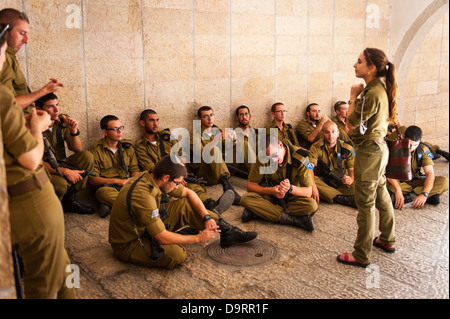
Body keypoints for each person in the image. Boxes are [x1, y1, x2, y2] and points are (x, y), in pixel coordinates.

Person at [0, 25, 76, 298]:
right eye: (21, 33)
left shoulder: (49, 116)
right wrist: (37, 126)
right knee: (43, 283)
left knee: (62, 271)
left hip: (34, 195)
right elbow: (33, 160)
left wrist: (71, 130)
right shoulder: (7, 101)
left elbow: (74, 148)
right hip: (28, 197)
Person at [108, 155, 257, 269]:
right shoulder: (143, 195)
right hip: (130, 242)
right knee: (177, 255)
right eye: (177, 183)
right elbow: (160, 237)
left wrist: (206, 217)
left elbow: (189, 193)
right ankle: (186, 234)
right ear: (166, 177)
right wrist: (198, 238)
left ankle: (226, 231)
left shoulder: (153, 176)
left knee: (186, 205)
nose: (177, 187)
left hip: (145, 226)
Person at [337, 48, 397, 268]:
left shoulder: (370, 94)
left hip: (369, 153)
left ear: (371, 67)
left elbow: (349, 125)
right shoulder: (379, 88)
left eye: (359, 61)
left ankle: (361, 255)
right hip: (379, 151)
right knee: (381, 193)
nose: (355, 64)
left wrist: (352, 97)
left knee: (365, 205)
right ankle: (387, 239)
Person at [134, 109, 234, 213]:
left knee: (195, 188)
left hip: (180, 173)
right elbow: (151, 168)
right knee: (179, 192)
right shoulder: (140, 146)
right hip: (163, 179)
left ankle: (211, 205)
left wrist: (179, 172)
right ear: (142, 123)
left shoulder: (166, 137)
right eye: (151, 120)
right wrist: (175, 176)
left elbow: (182, 155)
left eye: (157, 120)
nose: (155, 124)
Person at [240, 133, 318, 231]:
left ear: (280, 145)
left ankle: (261, 212)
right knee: (245, 199)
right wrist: (271, 191)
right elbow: (250, 186)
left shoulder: (301, 158)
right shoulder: (263, 156)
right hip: (270, 197)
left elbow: (308, 192)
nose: (273, 160)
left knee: (311, 206)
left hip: (292, 198)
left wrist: (290, 188)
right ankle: (290, 219)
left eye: (274, 155)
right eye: (269, 158)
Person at [35, 93, 95, 214]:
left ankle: (69, 201)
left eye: (57, 105)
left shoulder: (62, 120)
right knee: (61, 185)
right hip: (41, 168)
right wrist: (64, 171)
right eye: (50, 107)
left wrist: (73, 131)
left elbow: (77, 149)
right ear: (38, 109)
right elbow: (36, 162)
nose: (56, 110)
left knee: (87, 156)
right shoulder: (31, 125)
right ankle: (47, 209)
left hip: (60, 162)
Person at [0, 9, 63, 113]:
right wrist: (45, 90)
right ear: (4, 31)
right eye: (21, 33)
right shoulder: (4, 58)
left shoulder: (10, 56)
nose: (26, 40)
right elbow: (8, 104)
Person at [89, 115, 140, 217]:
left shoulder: (127, 147)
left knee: (143, 186)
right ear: (105, 132)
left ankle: (111, 206)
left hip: (126, 184)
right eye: (115, 129)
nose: (120, 131)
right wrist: (117, 181)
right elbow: (93, 180)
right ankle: (137, 208)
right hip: (108, 187)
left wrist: (133, 180)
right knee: (102, 193)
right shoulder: (96, 150)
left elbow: (134, 168)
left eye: (121, 127)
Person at [386, 125, 449, 209]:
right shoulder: (394, 147)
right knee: (382, 183)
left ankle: (410, 197)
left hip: (413, 179)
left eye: (415, 145)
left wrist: (425, 194)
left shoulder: (423, 149)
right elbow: (387, 173)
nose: (411, 148)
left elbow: (430, 173)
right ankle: (429, 197)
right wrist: (398, 189)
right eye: (410, 144)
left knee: (444, 182)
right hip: (395, 181)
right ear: (404, 137)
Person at [189, 106, 241, 205]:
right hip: (205, 174)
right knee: (213, 149)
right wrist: (215, 140)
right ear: (199, 119)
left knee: (243, 145)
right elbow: (200, 153)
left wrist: (234, 139)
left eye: (211, 115)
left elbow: (229, 147)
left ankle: (229, 186)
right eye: (206, 116)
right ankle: (229, 188)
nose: (210, 119)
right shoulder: (194, 134)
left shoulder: (216, 129)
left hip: (220, 171)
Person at [309, 121, 356, 208]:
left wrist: (351, 179)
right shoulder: (316, 147)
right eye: (327, 132)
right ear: (322, 134)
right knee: (311, 180)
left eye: (333, 132)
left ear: (338, 133)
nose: (330, 135)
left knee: (360, 185)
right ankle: (339, 198)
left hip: (340, 180)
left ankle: (328, 194)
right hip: (323, 181)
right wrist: (314, 187)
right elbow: (309, 168)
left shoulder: (347, 148)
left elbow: (352, 169)